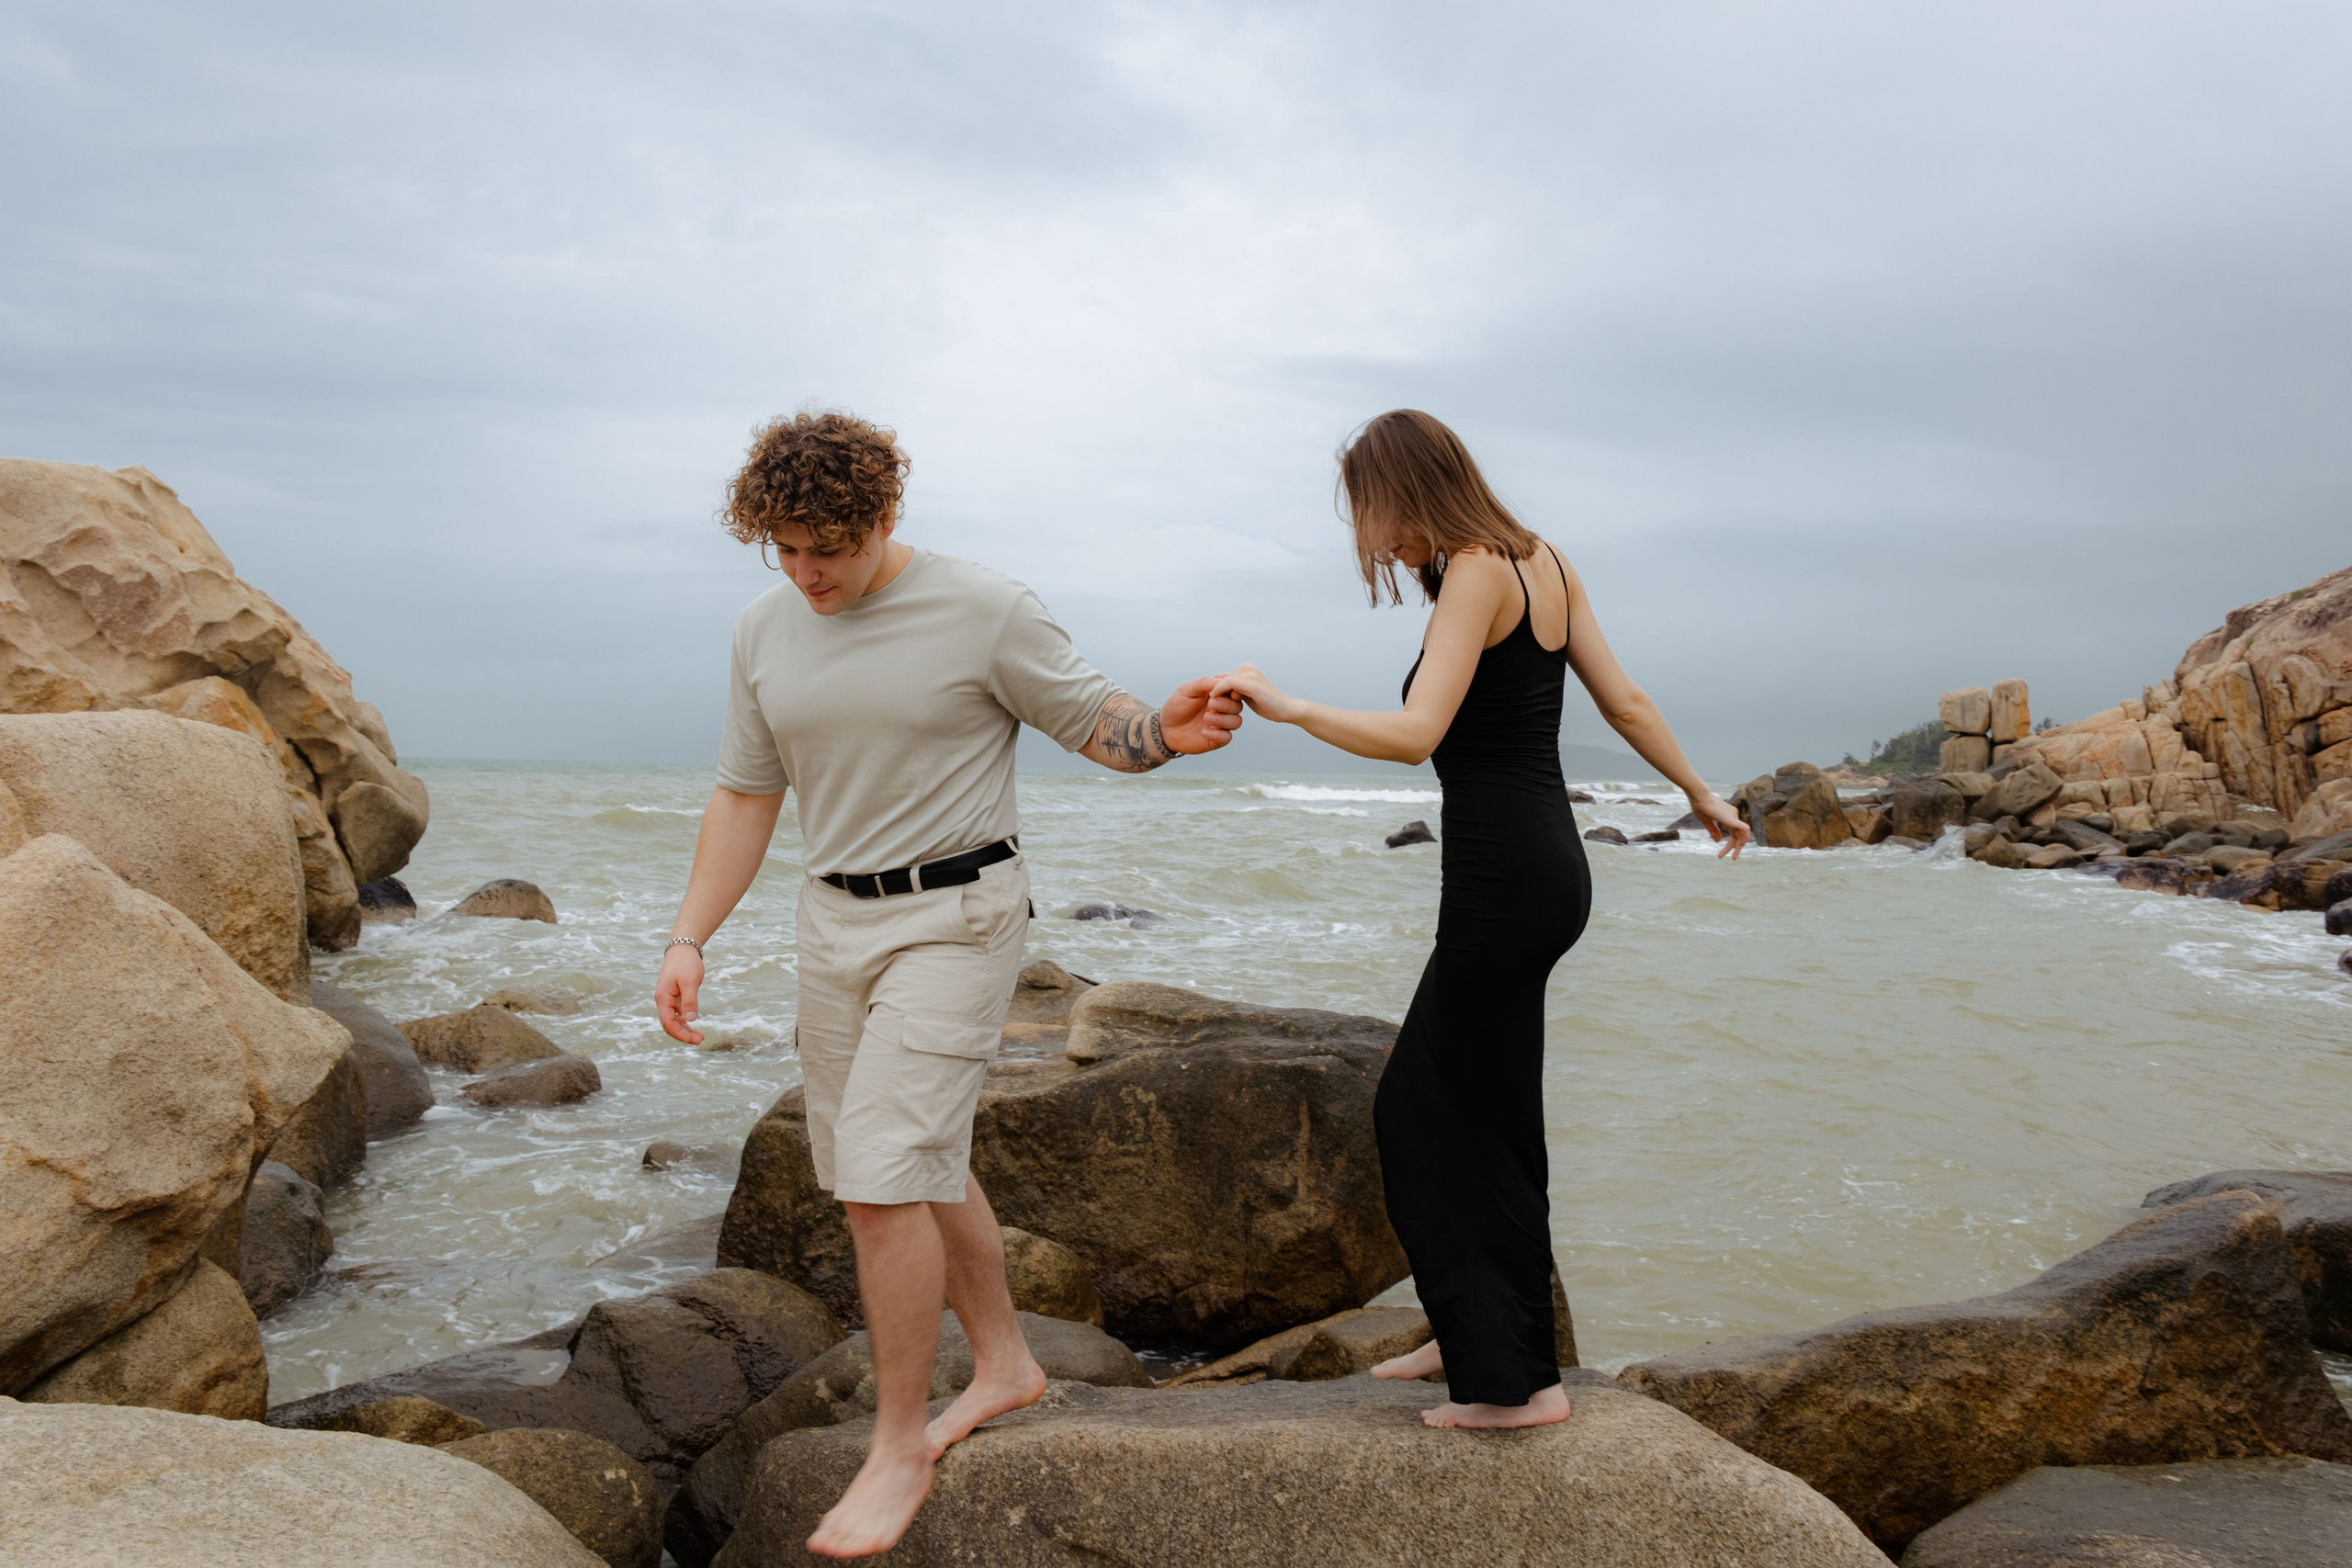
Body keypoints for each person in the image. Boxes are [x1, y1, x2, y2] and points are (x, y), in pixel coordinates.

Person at [654, 410, 1242, 1558]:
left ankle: (896, 1447)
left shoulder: (986, 608)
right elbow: (746, 793)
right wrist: (689, 938)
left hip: (958, 916)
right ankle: (1007, 1363)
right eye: (784, 550)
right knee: (903, 1163)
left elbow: (1100, 723)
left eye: (828, 548)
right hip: (832, 921)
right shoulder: (765, 627)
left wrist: (1166, 733)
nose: (806, 573)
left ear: (885, 516)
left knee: (881, 1179)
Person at [1214, 409, 1747, 1430]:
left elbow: (1417, 734)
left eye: (1369, 511)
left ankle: (1514, 1385)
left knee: (1418, 1111)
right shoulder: (1543, 560)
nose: (1372, 538)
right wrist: (1698, 790)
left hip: (1503, 883)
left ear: (1406, 490)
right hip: (1548, 873)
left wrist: (1292, 708)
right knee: (1487, 1114)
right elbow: (1625, 701)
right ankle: (1471, 1330)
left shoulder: (1474, 570)